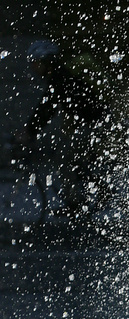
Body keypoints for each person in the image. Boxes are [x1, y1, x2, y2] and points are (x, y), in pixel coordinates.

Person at [15, 41, 112, 214]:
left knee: (65, 159)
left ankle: (75, 204)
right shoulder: (61, 76)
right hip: (94, 122)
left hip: (94, 124)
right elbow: (47, 107)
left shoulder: (61, 78)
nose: (34, 67)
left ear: (46, 62)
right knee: (73, 157)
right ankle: (97, 189)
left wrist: (30, 131)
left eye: (36, 63)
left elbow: (47, 108)